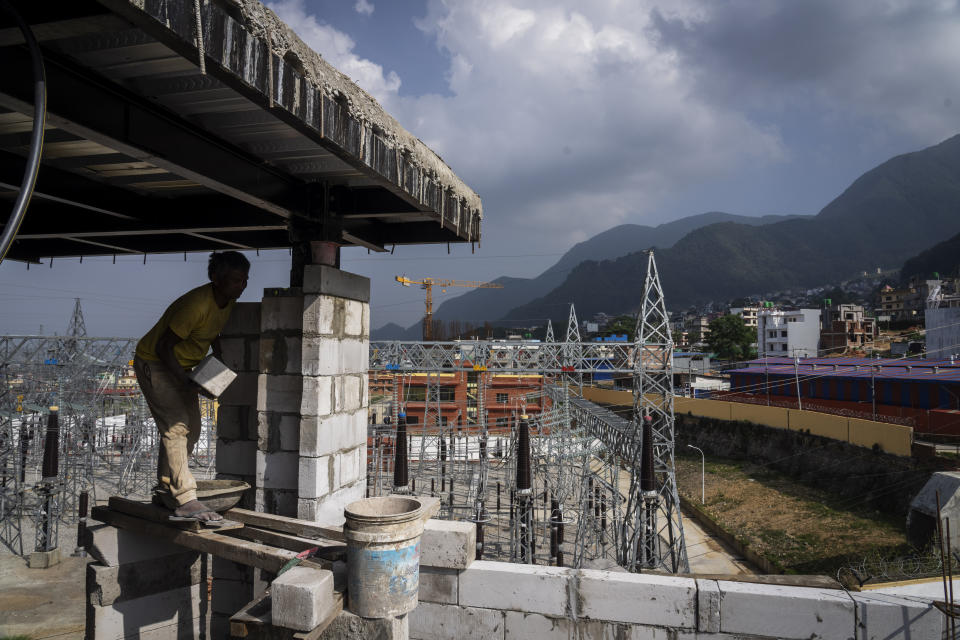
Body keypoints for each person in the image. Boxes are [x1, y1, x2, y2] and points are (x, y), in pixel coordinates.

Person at [134, 251, 250, 522]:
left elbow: (213, 332)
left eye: (245, 280)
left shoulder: (227, 301)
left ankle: (167, 486)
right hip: (156, 363)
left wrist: (217, 362)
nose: (241, 286)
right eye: (235, 281)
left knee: (193, 430)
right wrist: (185, 382)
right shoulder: (196, 305)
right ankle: (185, 498)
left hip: (183, 368)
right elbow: (164, 347)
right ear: (215, 279)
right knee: (176, 427)